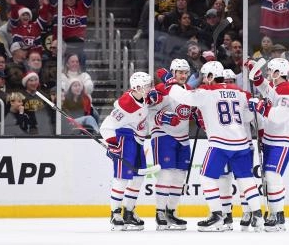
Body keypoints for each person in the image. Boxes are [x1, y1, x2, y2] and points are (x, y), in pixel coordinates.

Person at [168, 61, 264, 232]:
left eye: (205, 77)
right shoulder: (240, 93)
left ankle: (217, 216)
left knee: (206, 177)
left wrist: (172, 84)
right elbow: (249, 117)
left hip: (220, 143)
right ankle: (257, 215)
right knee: (246, 179)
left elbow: (184, 97)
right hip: (241, 143)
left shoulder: (207, 92)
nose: (204, 81)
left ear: (211, 76)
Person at [246, 57, 289, 231]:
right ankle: (279, 216)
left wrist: (260, 106)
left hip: (283, 138)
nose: (269, 73)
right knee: (272, 178)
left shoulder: (287, 88)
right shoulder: (277, 87)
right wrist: (256, 74)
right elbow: (265, 88)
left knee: (272, 176)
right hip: (272, 137)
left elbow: (279, 115)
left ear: (279, 72)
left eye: (271, 70)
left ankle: (276, 215)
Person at [99, 72, 153, 231]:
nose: (150, 88)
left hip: (138, 141)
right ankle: (115, 213)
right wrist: (113, 145)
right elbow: (106, 127)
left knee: (138, 177)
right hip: (125, 139)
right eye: (147, 86)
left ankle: (129, 212)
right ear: (137, 88)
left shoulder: (142, 96)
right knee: (122, 178)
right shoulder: (126, 105)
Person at [147, 59, 192, 230]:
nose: (183, 75)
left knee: (180, 176)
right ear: (173, 73)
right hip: (163, 135)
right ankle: (160, 212)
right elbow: (149, 107)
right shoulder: (162, 89)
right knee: (166, 173)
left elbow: (192, 110)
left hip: (183, 137)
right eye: (180, 72)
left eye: (185, 72)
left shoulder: (189, 90)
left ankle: (171, 212)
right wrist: (163, 117)